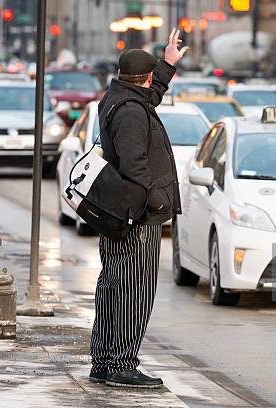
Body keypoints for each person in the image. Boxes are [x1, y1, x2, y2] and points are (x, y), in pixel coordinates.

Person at [89, 29, 189, 388]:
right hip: (137, 216)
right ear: (144, 78)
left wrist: (167, 64)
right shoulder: (131, 111)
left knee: (113, 285)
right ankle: (122, 364)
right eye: (153, 78)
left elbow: (151, 96)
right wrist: (156, 198)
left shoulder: (119, 98)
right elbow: (135, 164)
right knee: (134, 290)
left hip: (119, 212)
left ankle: (103, 361)